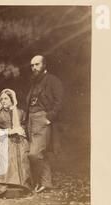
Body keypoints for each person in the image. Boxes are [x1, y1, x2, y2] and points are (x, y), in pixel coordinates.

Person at [24, 55, 64, 193]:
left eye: (37, 64)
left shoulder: (53, 81)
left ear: (44, 65)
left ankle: (36, 182)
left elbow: (59, 102)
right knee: (42, 152)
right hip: (31, 119)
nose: (34, 68)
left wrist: (49, 118)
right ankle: (46, 182)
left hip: (42, 119)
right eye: (32, 65)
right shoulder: (34, 82)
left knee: (34, 154)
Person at [0, 89, 32, 197]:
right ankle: (1, 186)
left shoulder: (20, 112)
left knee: (20, 149)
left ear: (12, 99)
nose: (3, 101)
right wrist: (8, 132)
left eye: (6, 98)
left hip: (19, 141)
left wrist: (21, 130)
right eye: (1, 99)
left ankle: (20, 185)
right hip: (2, 140)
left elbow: (24, 126)